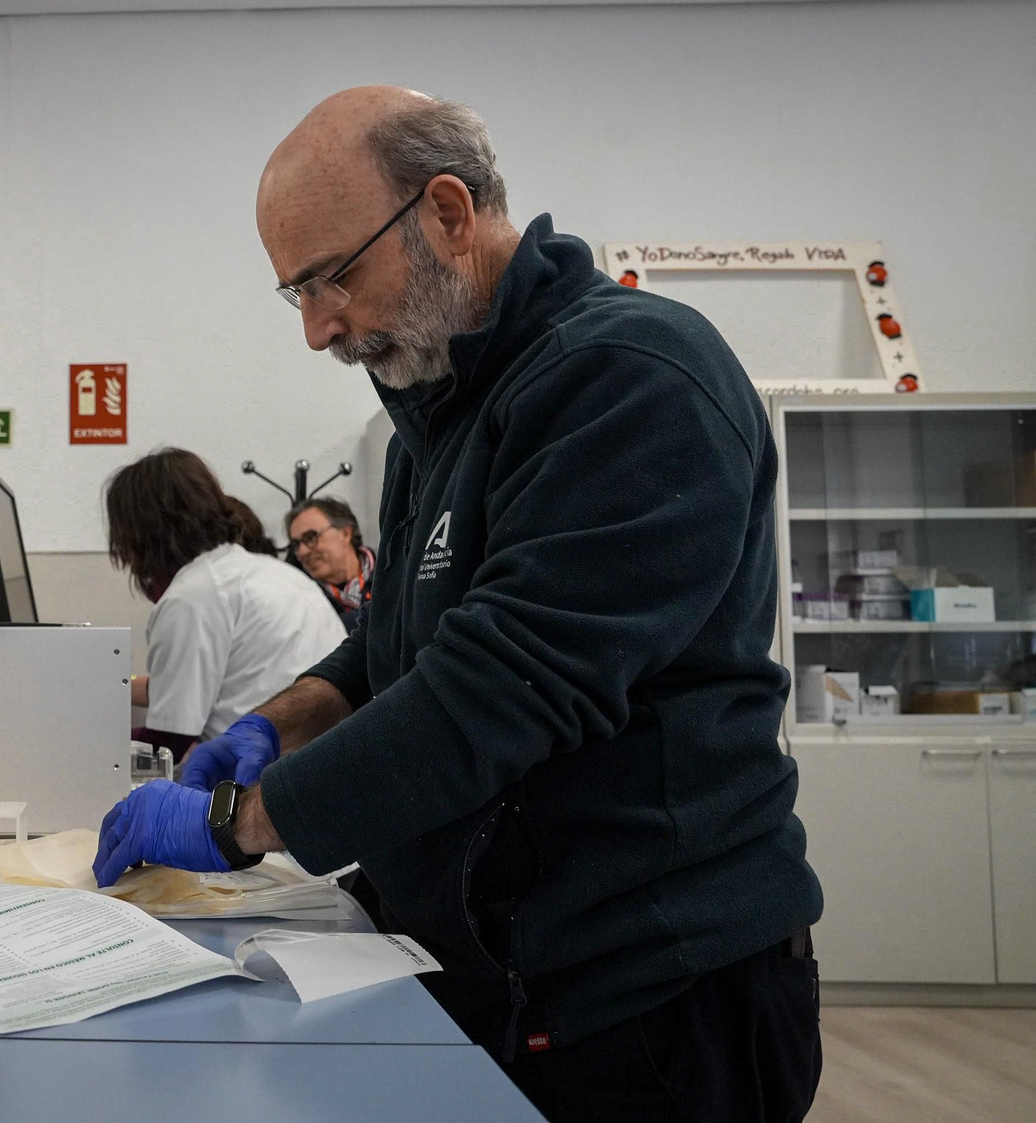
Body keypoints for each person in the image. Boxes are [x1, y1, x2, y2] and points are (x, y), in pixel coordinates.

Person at [91, 88, 822, 1123]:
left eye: (330, 277)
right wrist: (273, 722)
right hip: (499, 974)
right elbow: (393, 646)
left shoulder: (627, 377)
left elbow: (503, 687)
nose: (315, 329)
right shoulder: (433, 414)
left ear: (444, 211)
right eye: (293, 293)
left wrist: (239, 821)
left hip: (648, 996)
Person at [107, 449, 344, 757]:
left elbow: (168, 742)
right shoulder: (276, 574)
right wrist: (111, 682)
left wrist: (86, 739)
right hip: (328, 767)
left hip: (263, 781)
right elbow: (182, 686)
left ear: (140, 532)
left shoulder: (192, 596)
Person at [284, 495, 374, 625]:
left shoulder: (396, 571)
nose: (302, 552)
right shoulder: (298, 599)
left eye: (310, 537)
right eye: (296, 544)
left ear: (345, 533)